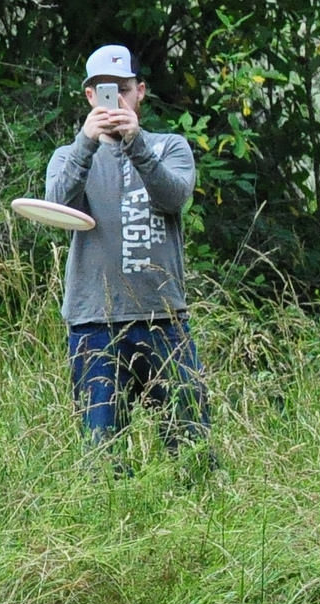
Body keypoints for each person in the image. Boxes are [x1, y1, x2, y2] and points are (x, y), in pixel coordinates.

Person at [45, 44, 211, 468]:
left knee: (190, 449)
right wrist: (87, 141)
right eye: (104, 91)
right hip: (93, 321)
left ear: (140, 91)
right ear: (88, 98)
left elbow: (175, 198)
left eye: (122, 89)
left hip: (163, 318)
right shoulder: (69, 156)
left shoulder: (170, 146)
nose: (115, 99)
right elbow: (55, 206)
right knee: (101, 455)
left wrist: (136, 143)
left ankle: (196, 523)